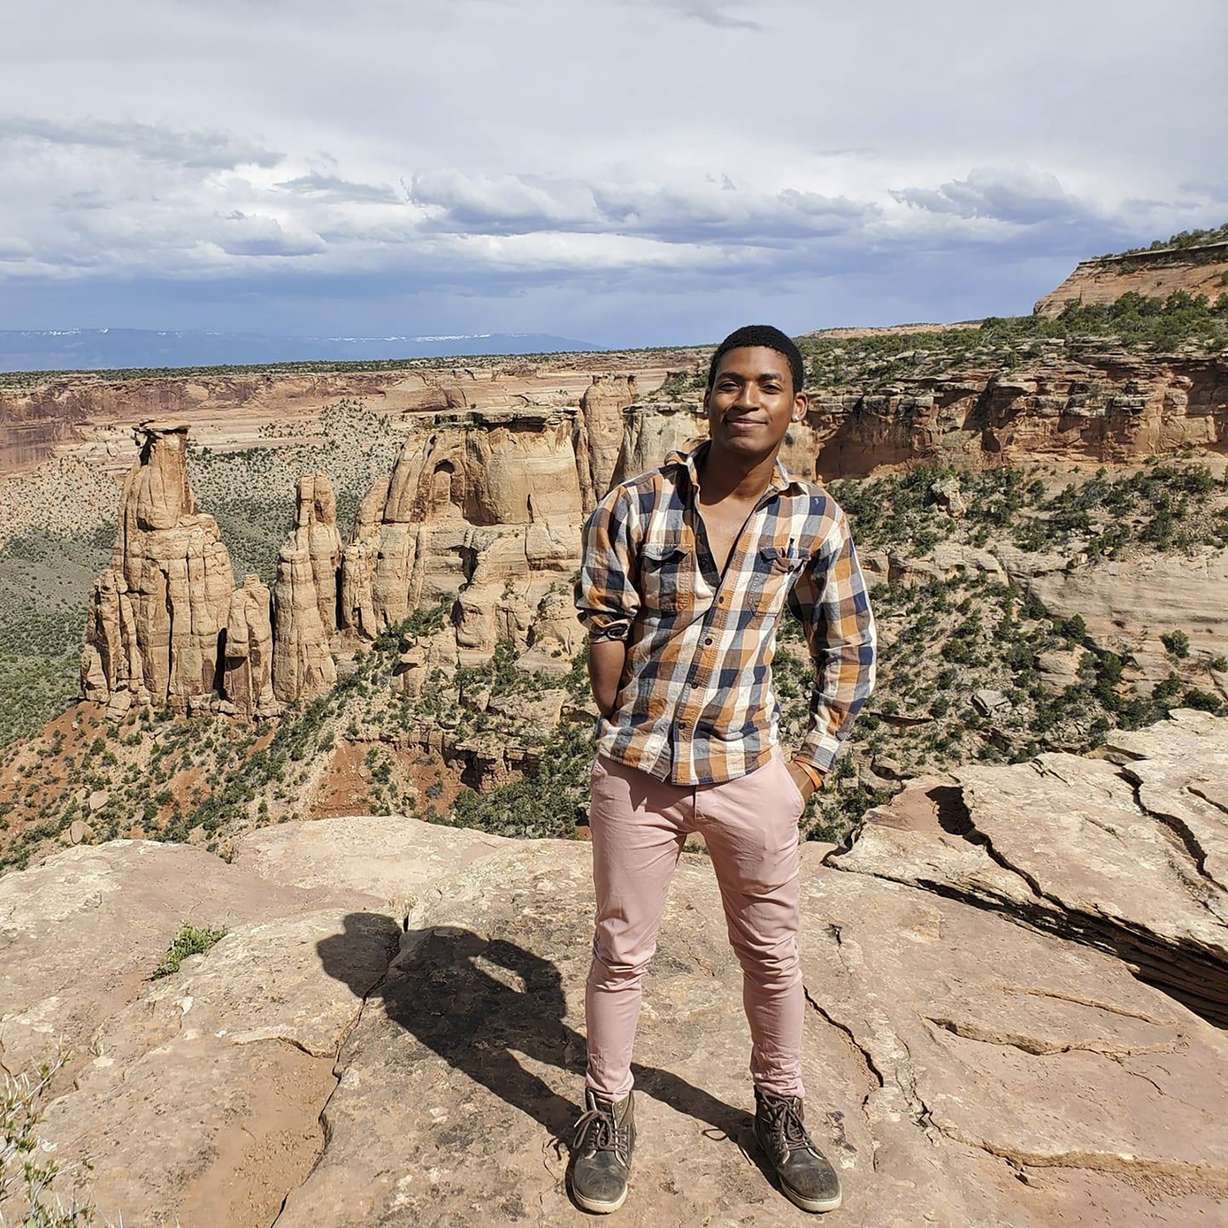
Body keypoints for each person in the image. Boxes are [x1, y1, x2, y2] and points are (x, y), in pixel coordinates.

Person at [569, 324, 876, 1215]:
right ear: (706, 397)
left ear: (795, 406)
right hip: (638, 772)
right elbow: (605, 624)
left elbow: (848, 650)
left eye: (768, 386)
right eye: (732, 383)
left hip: (751, 770)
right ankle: (606, 1112)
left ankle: (780, 1111)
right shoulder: (634, 505)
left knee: (772, 954)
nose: (748, 400)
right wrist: (625, 717)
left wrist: (807, 768)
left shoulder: (813, 518)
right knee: (621, 948)